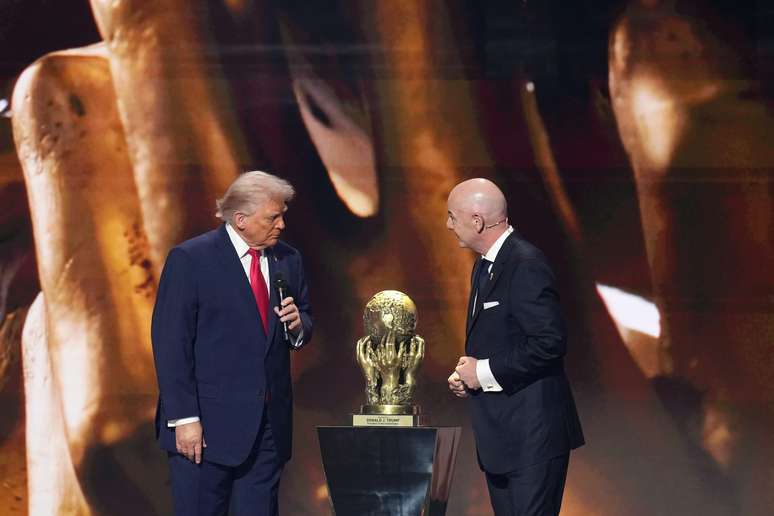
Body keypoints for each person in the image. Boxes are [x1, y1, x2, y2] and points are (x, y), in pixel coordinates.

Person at [151, 170, 313, 515]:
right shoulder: (191, 260)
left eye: (283, 214)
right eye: (274, 216)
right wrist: (184, 419)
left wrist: (299, 325)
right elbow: (171, 344)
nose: (282, 224)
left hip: (268, 430)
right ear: (240, 219)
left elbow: (303, 321)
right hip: (205, 431)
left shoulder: (289, 260)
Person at [446, 178, 584, 516]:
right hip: (502, 438)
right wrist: (468, 375)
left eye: (452, 216)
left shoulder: (525, 263)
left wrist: (483, 372)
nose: (447, 224)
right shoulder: (484, 265)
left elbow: (549, 343)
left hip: (532, 436)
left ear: (477, 220)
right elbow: (501, 339)